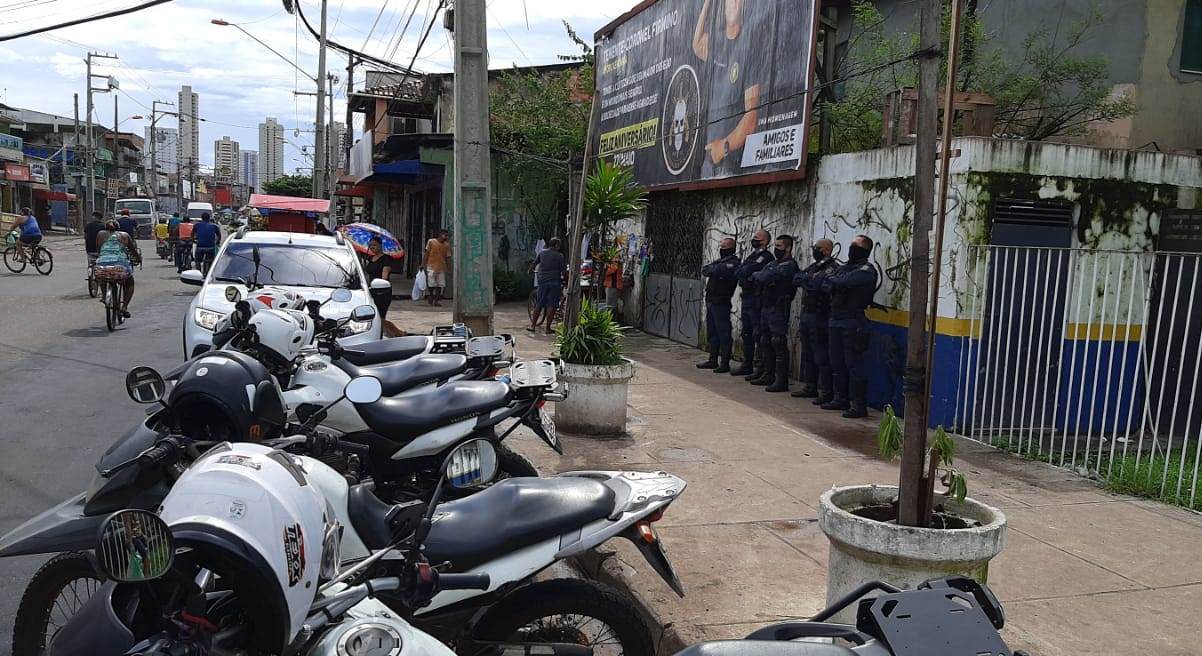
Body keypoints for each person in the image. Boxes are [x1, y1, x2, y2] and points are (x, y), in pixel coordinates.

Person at [822, 235, 879, 418]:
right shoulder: (845, 267)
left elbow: (843, 281)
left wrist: (834, 279)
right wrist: (834, 279)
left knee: (854, 365)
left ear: (864, 250)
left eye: (856, 245)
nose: (852, 248)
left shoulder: (866, 270)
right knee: (836, 362)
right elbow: (825, 284)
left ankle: (858, 404)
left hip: (853, 321)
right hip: (835, 319)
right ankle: (840, 398)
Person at [750, 235, 801, 392]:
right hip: (766, 305)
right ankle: (768, 373)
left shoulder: (789, 265)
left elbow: (766, 276)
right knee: (764, 340)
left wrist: (763, 277)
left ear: (788, 248)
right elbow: (757, 275)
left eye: (779, 246)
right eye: (776, 245)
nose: (776, 249)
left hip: (778, 307)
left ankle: (781, 380)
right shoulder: (773, 263)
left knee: (778, 342)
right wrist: (762, 277)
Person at [792, 238, 840, 403]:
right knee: (808, 353)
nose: (815, 250)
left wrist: (809, 280)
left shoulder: (831, 268)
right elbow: (797, 278)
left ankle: (826, 392)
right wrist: (809, 279)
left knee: (821, 355)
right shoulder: (815, 267)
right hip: (807, 314)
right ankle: (810, 386)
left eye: (817, 248)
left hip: (820, 316)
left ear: (826, 250)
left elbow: (818, 285)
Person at [731, 229, 774, 378]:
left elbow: (751, 270)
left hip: (757, 299)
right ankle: (747, 364)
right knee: (746, 333)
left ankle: (760, 367)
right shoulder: (752, 255)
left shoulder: (766, 257)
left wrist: (747, 273)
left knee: (758, 334)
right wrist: (746, 274)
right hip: (747, 298)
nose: (754, 240)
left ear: (766, 241)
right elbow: (739, 271)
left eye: (758, 238)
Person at [696, 237, 741, 373]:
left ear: (732, 249)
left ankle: (725, 362)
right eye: (721, 247)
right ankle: (712, 359)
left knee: (724, 333)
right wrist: (715, 269)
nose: (722, 250)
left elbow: (716, 271)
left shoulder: (734, 263)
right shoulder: (720, 262)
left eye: (725, 248)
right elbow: (706, 269)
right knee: (712, 332)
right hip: (711, 300)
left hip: (722, 302)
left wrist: (716, 270)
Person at [95, 219, 138, 318]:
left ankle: (105, 296)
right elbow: (133, 251)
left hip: (102, 264)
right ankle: (124, 307)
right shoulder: (124, 235)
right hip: (119, 265)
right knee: (130, 283)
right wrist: (138, 259)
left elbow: (98, 249)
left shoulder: (100, 234)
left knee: (102, 278)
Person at [528, 238, 567, 334]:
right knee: (552, 305)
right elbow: (563, 271)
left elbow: (534, 263)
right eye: (559, 245)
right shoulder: (560, 256)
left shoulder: (542, 253)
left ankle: (533, 326)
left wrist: (530, 270)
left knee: (539, 303)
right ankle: (548, 328)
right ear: (556, 245)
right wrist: (565, 279)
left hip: (543, 281)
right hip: (555, 282)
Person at [362, 236, 394, 317]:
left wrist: (379, 284)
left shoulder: (386, 259)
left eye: (374, 245)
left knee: (380, 316)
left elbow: (385, 277)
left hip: (381, 291)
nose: (372, 247)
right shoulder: (370, 258)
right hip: (370, 290)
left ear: (380, 245)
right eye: (370, 245)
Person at [422, 229, 451, 306]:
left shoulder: (446, 245)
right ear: (440, 234)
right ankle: (431, 295)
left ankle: (436, 300)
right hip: (431, 265)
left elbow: (448, 257)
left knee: (440, 284)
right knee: (431, 284)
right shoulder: (431, 242)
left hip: (441, 267)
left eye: (446, 235)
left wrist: (448, 268)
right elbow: (427, 253)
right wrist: (423, 264)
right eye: (444, 235)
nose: (446, 237)